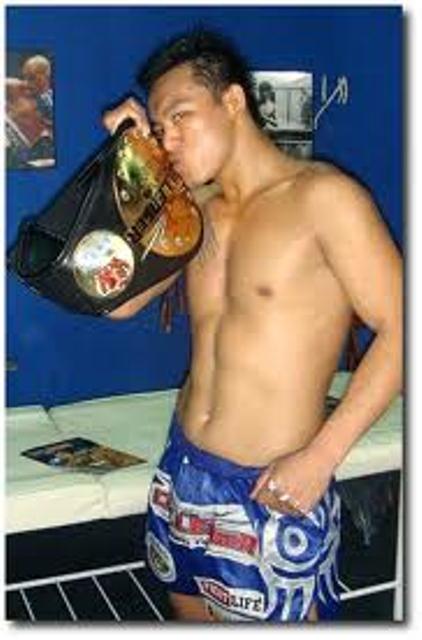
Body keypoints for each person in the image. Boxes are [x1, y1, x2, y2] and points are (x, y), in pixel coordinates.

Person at [102, 29, 402, 622]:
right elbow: (120, 300)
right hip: (184, 468)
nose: (169, 138)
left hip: (272, 486)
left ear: (233, 101)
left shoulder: (324, 199)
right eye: (159, 128)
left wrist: (321, 458)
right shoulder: (194, 210)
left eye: (181, 116)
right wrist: (132, 163)